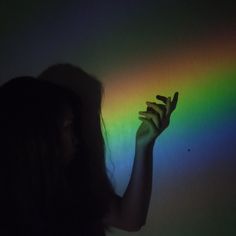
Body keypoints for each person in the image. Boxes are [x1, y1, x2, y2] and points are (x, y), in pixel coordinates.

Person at [0, 63, 178, 235]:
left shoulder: (70, 185)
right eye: (68, 126)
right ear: (39, 137)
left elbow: (129, 219)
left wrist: (144, 144)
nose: (77, 138)